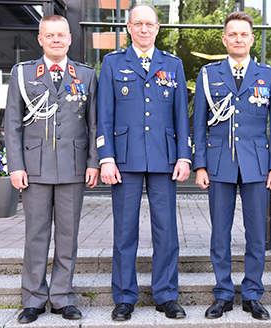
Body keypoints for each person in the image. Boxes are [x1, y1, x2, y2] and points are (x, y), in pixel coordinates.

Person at [95, 3, 191, 322]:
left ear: (158, 28)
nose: (144, 29)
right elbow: (103, 115)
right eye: (138, 24)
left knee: (166, 231)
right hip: (123, 158)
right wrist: (105, 157)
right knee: (125, 232)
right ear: (128, 27)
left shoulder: (173, 64)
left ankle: (166, 294)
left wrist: (184, 155)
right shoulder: (111, 63)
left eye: (149, 24)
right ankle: (124, 296)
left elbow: (180, 115)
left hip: (164, 158)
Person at [192, 11, 271, 321]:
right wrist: (200, 165)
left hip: (257, 165)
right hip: (219, 163)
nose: (238, 39)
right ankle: (222, 293)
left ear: (251, 38)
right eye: (232, 34)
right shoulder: (209, 74)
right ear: (224, 39)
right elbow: (198, 125)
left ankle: (252, 294)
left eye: (243, 34)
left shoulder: (268, 75)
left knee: (256, 233)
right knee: (220, 233)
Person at [4, 15, 100, 324]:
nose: (56, 39)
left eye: (61, 34)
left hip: (72, 168)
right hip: (34, 169)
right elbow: (12, 125)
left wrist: (93, 162)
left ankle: (62, 297)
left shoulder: (86, 75)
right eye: (50, 35)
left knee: (68, 236)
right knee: (36, 236)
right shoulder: (23, 74)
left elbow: (94, 124)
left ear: (70, 39)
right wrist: (15, 166)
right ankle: (33, 299)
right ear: (40, 39)